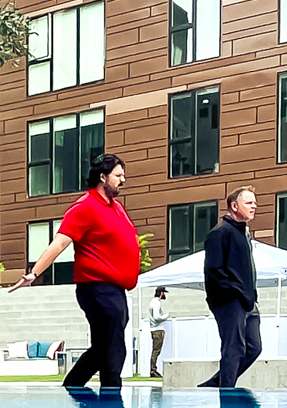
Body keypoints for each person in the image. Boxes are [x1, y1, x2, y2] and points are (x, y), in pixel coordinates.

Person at [13, 152, 140, 390]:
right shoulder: (84, 207)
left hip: (116, 288)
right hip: (96, 287)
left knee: (103, 345)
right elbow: (59, 243)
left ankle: (72, 386)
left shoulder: (117, 207)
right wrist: (34, 273)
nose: (123, 180)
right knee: (113, 346)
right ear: (103, 177)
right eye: (118, 175)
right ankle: (111, 395)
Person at [203, 188, 262, 388]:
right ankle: (226, 392)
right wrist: (235, 292)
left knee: (254, 348)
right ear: (234, 206)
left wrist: (249, 294)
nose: (254, 206)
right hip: (230, 300)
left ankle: (218, 383)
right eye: (249, 203)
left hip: (248, 300)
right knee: (234, 349)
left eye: (254, 202)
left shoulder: (243, 233)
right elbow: (213, 272)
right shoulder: (220, 233)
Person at [147, 286, 170, 378]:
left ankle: (153, 369)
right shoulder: (157, 303)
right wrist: (166, 316)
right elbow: (157, 317)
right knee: (156, 351)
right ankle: (153, 370)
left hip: (154, 329)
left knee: (155, 351)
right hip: (157, 329)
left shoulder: (153, 302)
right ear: (161, 293)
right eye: (164, 293)